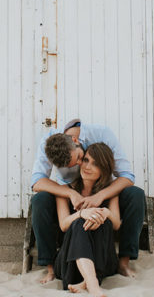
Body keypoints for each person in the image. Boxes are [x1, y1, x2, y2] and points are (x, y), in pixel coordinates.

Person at [30, 118, 145, 283]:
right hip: (70, 195)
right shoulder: (49, 142)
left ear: (75, 141)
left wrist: (100, 197)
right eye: (71, 165)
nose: (80, 165)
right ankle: (50, 268)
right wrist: (69, 193)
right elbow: (37, 181)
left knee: (135, 194)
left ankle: (124, 262)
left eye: (79, 158)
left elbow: (127, 176)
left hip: (102, 191)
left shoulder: (102, 133)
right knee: (40, 200)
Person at [54, 142, 120, 297]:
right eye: (86, 160)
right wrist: (83, 213)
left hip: (103, 261)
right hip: (69, 263)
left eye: (95, 164)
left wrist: (103, 212)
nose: (87, 166)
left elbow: (116, 223)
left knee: (103, 220)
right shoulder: (66, 190)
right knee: (78, 222)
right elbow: (63, 225)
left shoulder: (109, 192)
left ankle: (87, 282)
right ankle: (92, 284)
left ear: (104, 169)